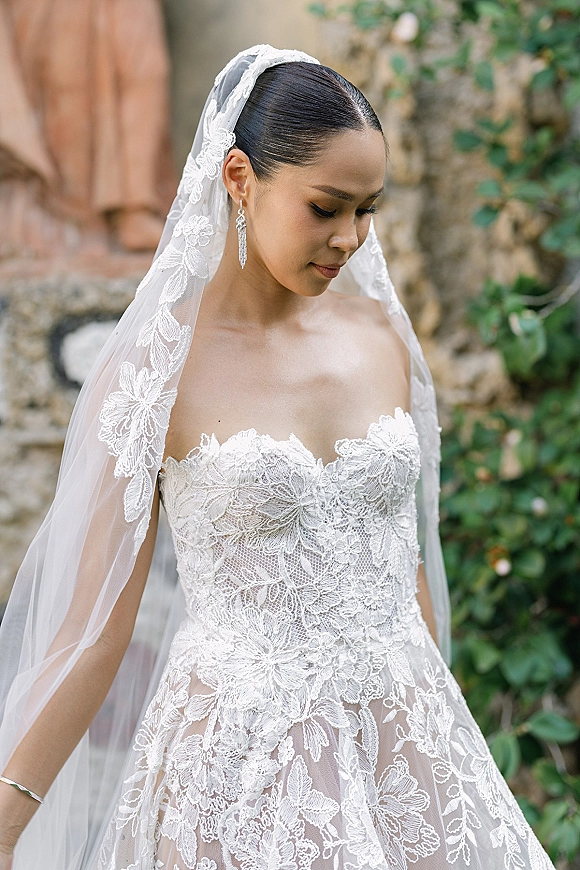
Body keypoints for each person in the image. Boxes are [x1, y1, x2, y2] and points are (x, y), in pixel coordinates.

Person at [0, 45, 554, 870]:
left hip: (405, 746)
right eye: (326, 207)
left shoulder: (379, 341)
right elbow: (88, 632)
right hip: (241, 773)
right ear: (239, 178)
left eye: (368, 211)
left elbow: (407, 577)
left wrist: (439, 739)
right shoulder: (157, 368)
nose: (349, 240)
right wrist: (8, 826)